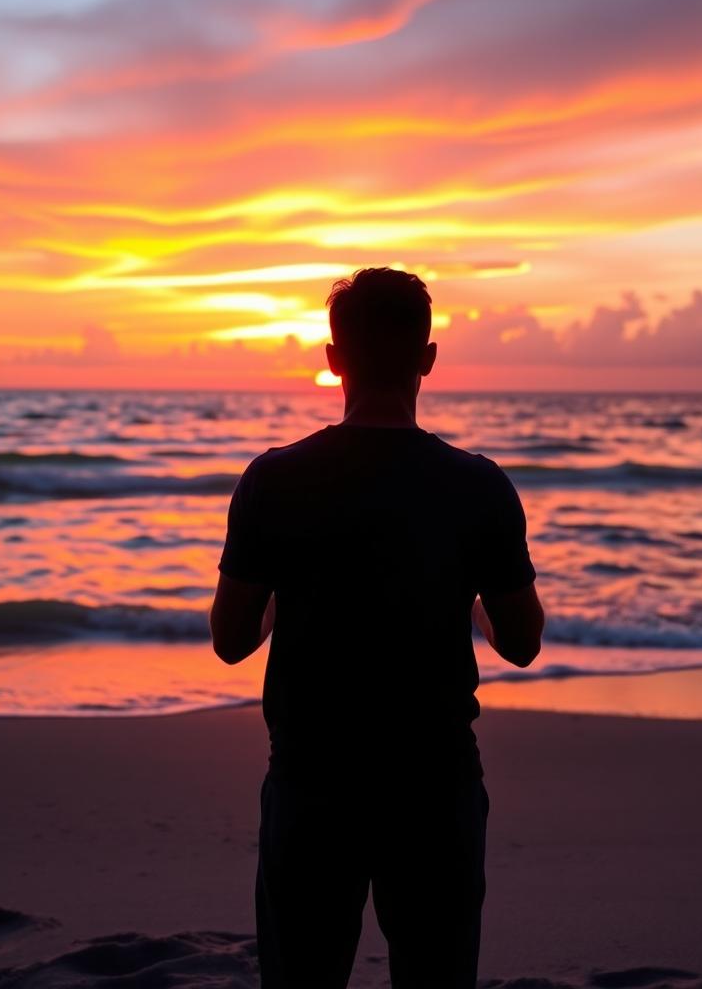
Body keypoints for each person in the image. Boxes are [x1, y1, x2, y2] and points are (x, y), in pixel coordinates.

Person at [210, 267, 545, 988]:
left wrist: (284, 596)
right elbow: (522, 643)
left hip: (311, 778)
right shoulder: (478, 484)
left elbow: (231, 640)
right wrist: (467, 597)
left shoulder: (275, 479)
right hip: (434, 782)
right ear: (427, 358)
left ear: (333, 359)